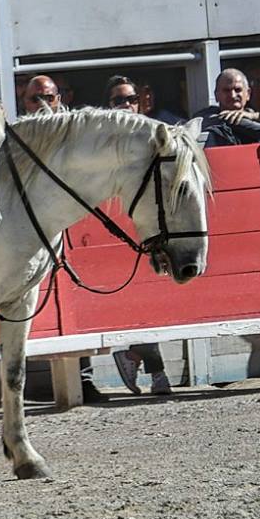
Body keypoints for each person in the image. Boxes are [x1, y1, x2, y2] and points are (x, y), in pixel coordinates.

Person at [103, 76, 175, 396]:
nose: (126, 106)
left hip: (150, 226)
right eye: (119, 101)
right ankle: (153, 371)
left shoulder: (156, 134)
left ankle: (137, 358)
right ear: (110, 106)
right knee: (145, 300)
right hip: (115, 231)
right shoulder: (105, 140)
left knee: (153, 300)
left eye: (131, 99)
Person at [194, 67, 260, 145]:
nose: (233, 95)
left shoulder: (252, 114)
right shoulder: (208, 116)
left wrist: (256, 116)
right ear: (216, 95)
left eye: (237, 90)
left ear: (247, 94)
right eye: (226, 90)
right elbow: (225, 120)